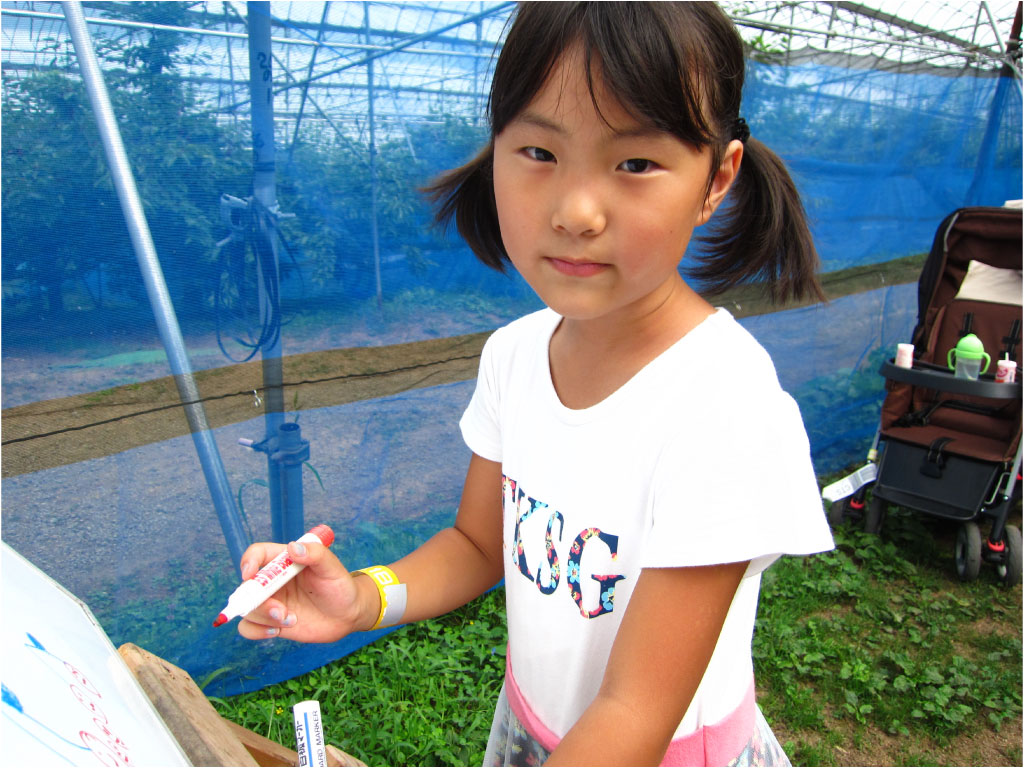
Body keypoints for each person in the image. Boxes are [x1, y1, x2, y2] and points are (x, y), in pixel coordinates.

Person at [236, 3, 835, 765]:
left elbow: (635, 712)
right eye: (539, 152)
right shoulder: (515, 355)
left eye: (636, 163)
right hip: (531, 728)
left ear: (716, 180)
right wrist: (360, 598)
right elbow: (477, 544)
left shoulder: (725, 407)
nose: (576, 212)